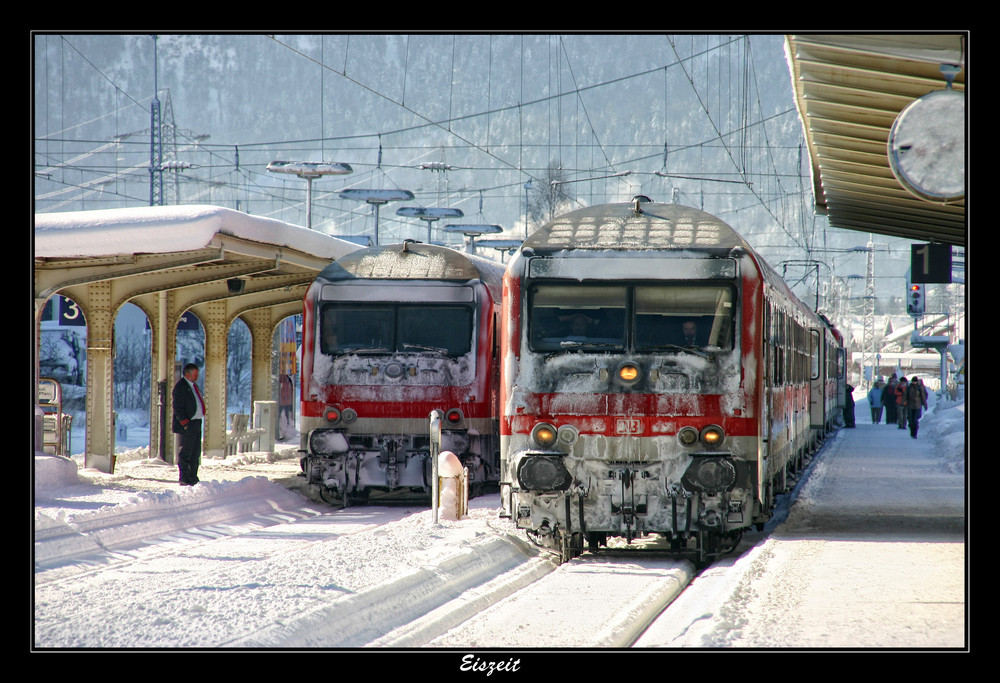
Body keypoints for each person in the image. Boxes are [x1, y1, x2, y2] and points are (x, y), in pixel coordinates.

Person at [172, 363, 205, 486]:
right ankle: (184, 477)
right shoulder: (181, 387)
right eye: (195, 374)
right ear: (187, 374)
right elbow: (178, 407)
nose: (197, 376)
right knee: (186, 452)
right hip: (188, 424)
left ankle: (193, 476)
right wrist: (184, 423)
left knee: (195, 452)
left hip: (196, 422)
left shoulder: (193, 386)